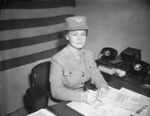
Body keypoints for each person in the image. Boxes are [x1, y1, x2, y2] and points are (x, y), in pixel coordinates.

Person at [49, 16, 109, 106]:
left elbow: (95, 74)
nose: (80, 38)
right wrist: (81, 96)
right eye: (75, 34)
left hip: (81, 100)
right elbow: (56, 91)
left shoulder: (88, 54)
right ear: (67, 36)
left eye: (83, 34)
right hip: (61, 104)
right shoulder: (57, 59)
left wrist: (102, 86)